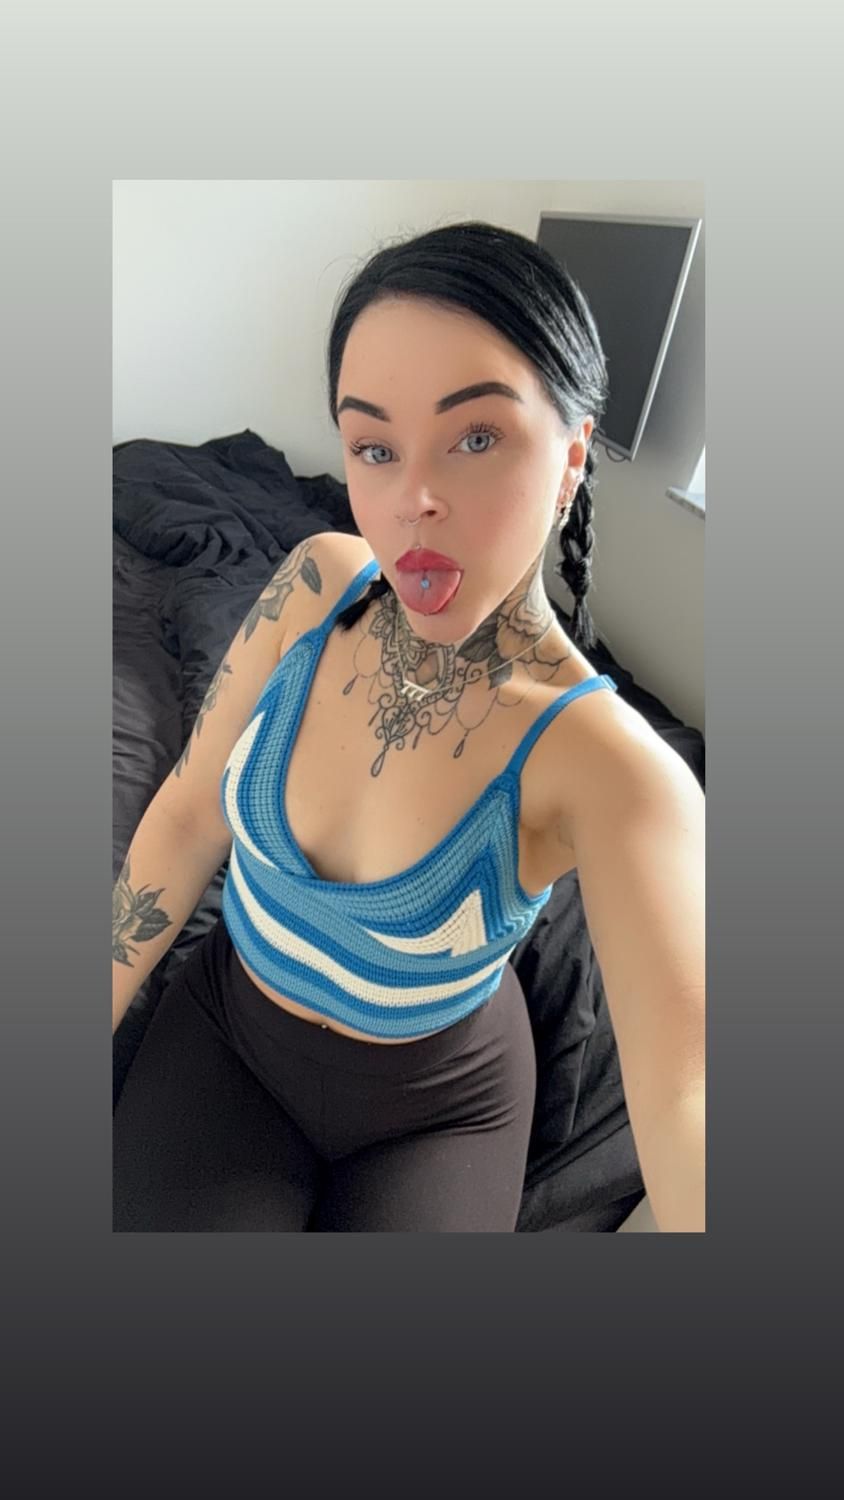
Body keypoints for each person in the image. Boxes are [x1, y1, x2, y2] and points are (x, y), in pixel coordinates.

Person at [112, 220, 705, 1233]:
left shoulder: (610, 767)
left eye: (475, 439)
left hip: (439, 1108)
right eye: (374, 448)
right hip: (231, 1031)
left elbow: (687, 1098)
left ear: (570, 458)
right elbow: (187, 815)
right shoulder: (316, 583)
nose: (413, 501)